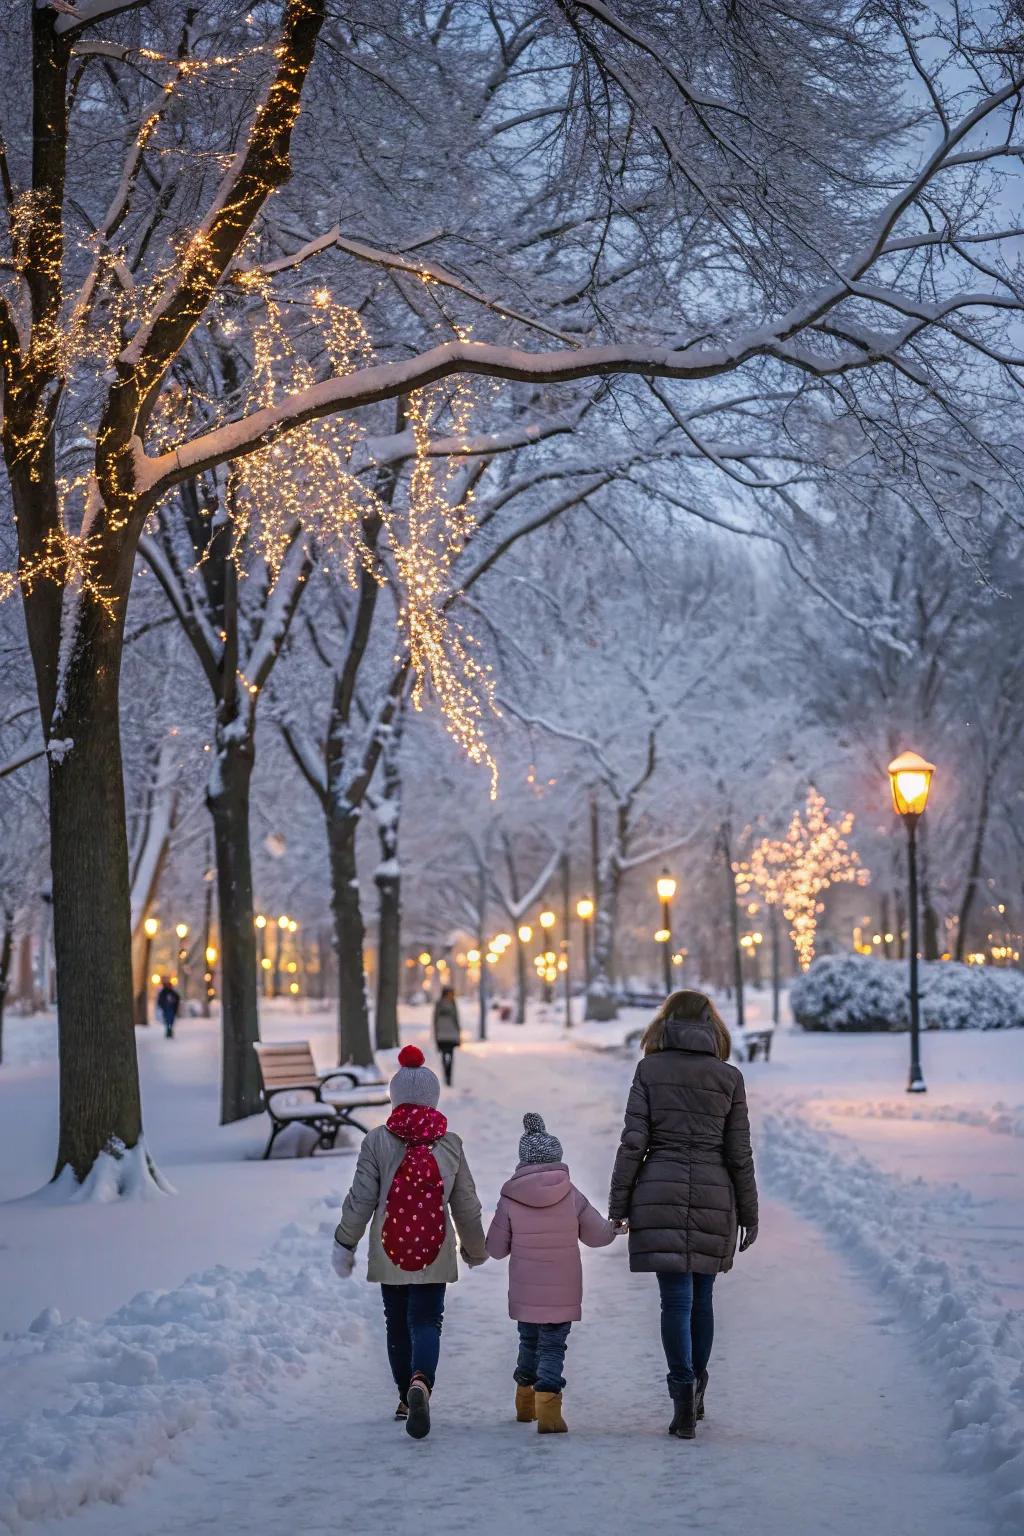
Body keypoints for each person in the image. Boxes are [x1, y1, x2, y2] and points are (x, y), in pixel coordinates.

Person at [608, 989, 759, 1441]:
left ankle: (681, 1392)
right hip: (715, 1191)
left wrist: (619, 1204)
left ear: (666, 1023)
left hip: (660, 1187)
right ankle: (697, 1389)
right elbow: (739, 1154)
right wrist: (749, 1213)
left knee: (674, 1301)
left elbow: (634, 1142)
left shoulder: (649, 1070)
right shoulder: (728, 1077)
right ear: (712, 1026)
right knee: (703, 1299)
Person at [331, 1043, 487, 1439]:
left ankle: (405, 1396)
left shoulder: (377, 1142)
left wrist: (345, 1242)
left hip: (390, 1249)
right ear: (433, 1098)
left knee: (396, 1322)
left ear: (395, 1097)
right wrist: (474, 1247)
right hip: (434, 1249)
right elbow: (465, 1202)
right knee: (426, 1320)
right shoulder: (449, 1144)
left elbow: (361, 1199)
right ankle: (422, 1382)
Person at [486, 1111, 615, 1434]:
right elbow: (598, 1235)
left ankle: (525, 1404)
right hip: (563, 1291)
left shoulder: (510, 1199)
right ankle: (549, 1409)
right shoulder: (572, 1195)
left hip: (526, 1292)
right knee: (554, 1346)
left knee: (529, 1342)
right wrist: (616, 1228)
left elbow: (496, 1249)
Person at [432, 986, 461, 1086]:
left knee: (448, 1056)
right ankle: (447, 1075)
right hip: (445, 1035)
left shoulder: (441, 1004)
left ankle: (448, 1076)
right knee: (446, 1056)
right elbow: (436, 1021)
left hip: (447, 1035)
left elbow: (435, 1020)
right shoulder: (449, 1004)